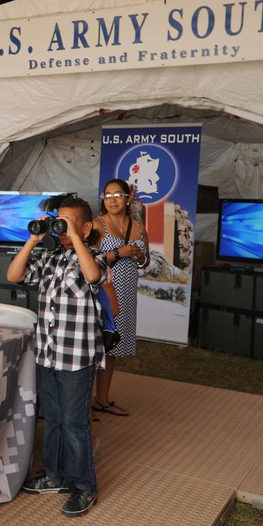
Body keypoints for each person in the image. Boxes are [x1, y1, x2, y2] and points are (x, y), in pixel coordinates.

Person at [7, 196, 108, 519]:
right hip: (47, 354)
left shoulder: (97, 257)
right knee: (51, 419)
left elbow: (92, 277)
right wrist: (34, 238)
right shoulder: (49, 258)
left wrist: (76, 238)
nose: (60, 227)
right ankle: (55, 475)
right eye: (57, 221)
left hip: (76, 357)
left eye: (66, 222)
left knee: (74, 423)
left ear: (86, 227)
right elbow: (14, 275)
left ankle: (83, 485)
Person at [91, 179, 148, 418]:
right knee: (91, 347)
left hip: (126, 293)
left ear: (127, 198)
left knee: (110, 347)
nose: (112, 199)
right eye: (107, 195)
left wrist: (137, 258)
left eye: (117, 195)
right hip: (101, 291)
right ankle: (82, 407)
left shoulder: (137, 225)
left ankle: (102, 401)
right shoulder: (96, 225)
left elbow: (146, 261)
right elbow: (85, 259)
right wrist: (118, 253)